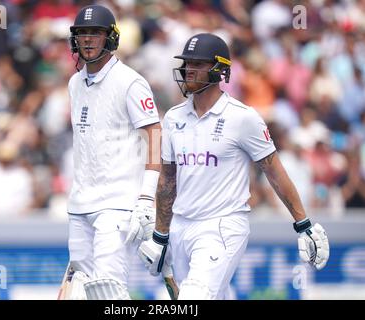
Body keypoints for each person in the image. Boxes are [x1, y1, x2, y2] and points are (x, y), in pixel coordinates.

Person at [138, 33, 330, 300]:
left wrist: (303, 223)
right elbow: (168, 180)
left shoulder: (243, 118)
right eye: (187, 64)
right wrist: (160, 235)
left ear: (219, 70)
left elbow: (273, 169)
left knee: (193, 298)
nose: (188, 70)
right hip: (181, 226)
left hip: (223, 225)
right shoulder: (173, 117)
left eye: (197, 64)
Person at [57, 5, 162, 300]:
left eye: (96, 33)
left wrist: (145, 197)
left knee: (108, 290)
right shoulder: (74, 83)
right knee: (82, 292)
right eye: (82, 34)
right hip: (80, 205)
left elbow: (154, 134)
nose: (88, 40)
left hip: (117, 203)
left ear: (110, 38)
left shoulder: (130, 82)